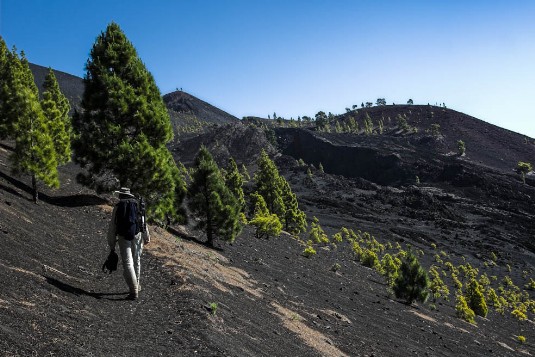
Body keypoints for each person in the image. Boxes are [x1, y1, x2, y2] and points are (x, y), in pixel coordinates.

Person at [107, 187, 150, 300]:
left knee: (127, 263)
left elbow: (113, 226)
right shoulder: (137, 204)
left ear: (120, 195)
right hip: (137, 235)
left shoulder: (118, 207)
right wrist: (146, 236)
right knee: (137, 261)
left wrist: (111, 244)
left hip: (122, 237)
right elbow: (143, 222)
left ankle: (133, 290)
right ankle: (137, 285)